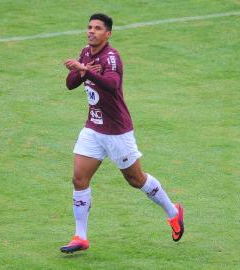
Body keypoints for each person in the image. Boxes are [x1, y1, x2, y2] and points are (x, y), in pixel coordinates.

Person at [60, 13, 184, 254]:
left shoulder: (111, 57)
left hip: (117, 132)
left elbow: (112, 84)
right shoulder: (86, 53)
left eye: (97, 28)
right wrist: (81, 70)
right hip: (93, 129)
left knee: (135, 179)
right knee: (79, 179)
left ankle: (173, 212)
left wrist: (87, 71)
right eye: (89, 27)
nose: (91, 31)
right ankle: (80, 237)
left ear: (108, 34)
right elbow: (70, 83)